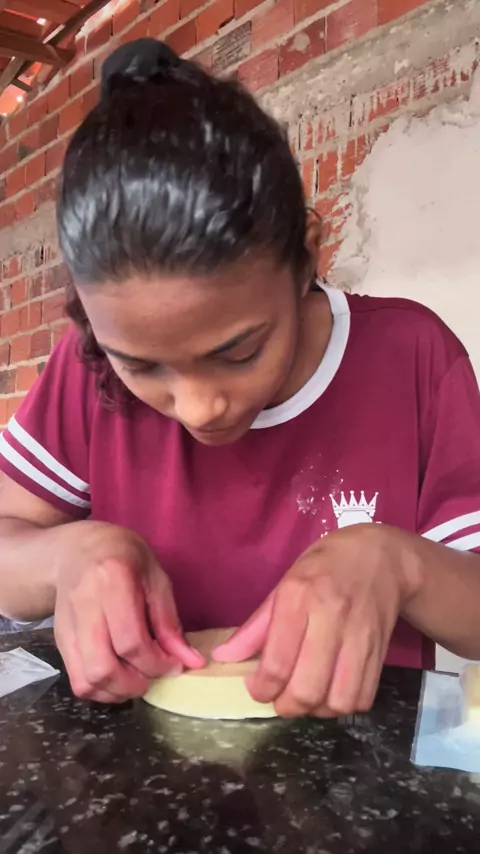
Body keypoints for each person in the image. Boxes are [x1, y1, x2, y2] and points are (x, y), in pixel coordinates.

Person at [0, 38, 480, 716]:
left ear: (306, 259)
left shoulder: (412, 357)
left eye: (239, 352)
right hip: (143, 758)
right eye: (141, 366)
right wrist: (66, 558)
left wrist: (402, 564)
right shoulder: (86, 371)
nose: (200, 407)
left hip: (361, 764)